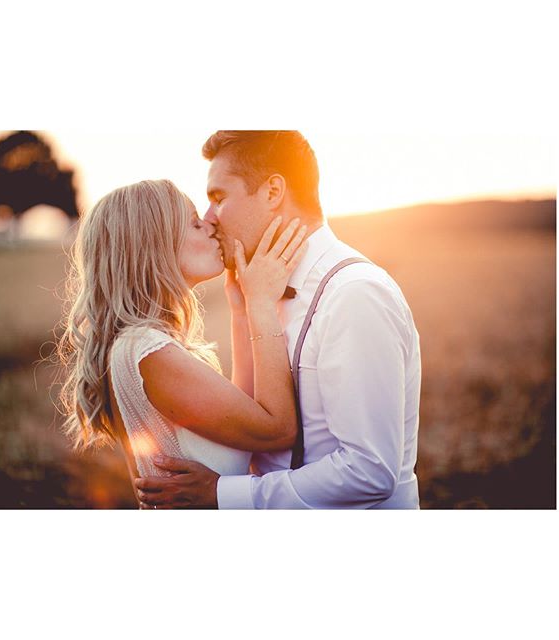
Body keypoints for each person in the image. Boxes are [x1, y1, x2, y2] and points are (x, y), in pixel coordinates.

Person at [135, 130, 422, 509]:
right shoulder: (263, 294)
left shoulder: (354, 294)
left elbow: (369, 471)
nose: (208, 218)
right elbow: (256, 427)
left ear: (272, 192)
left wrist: (221, 493)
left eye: (219, 198)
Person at [56, 178, 309, 501]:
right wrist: (261, 304)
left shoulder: (137, 344)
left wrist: (242, 308)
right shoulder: (147, 351)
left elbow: (249, 418)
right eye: (193, 223)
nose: (211, 224)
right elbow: (278, 429)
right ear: (154, 244)